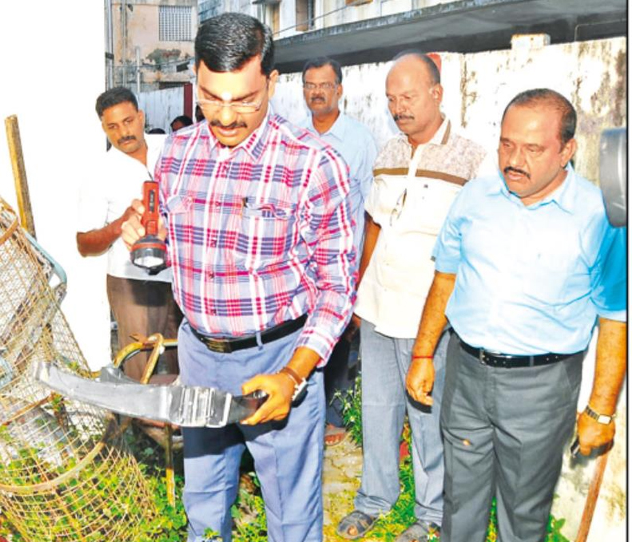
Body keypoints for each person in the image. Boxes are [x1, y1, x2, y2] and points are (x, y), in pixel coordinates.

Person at [122, 13, 357, 542]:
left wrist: (294, 375)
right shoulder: (177, 154)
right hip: (201, 356)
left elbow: (338, 289)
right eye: (211, 97)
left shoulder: (313, 165)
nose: (226, 116)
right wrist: (144, 237)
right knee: (202, 502)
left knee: (292, 516)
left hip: (277, 358)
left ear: (272, 84)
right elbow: (169, 253)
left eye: (245, 100)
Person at [406, 88, 627, 542]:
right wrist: (423, 354)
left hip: (540, 390)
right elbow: (445, 279)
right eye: (506, 144)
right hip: (465, 375)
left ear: (567, 150)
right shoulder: (475, 197)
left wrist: (601, 411)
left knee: (523, 515)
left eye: (532, 148)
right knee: (459, 501)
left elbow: (614, 318)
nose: (514, 159)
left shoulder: (599, 217)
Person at [338, 52, 492, 542]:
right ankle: (374, 500)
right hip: (379, 305)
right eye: (390, 99)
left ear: (436, 94)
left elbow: (479, 242)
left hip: (432, 314)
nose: (398, 107)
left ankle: (430, 514)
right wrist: (360, 291)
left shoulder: (472, 158)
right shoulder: (387, 151)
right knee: (378, 410)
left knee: (428, 417)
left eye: (407, 97)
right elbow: (374, 225)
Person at [76, 86, 182, 381]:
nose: (123, 132)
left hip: (180, 274)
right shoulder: (100, 172)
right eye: (112, 127)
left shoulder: (171, 148)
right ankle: (142, 426)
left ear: (141, 117)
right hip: (133, 283)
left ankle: (180, 428)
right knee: (139, 369)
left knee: (185, 363)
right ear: (103, 129)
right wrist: (121, 222)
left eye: (128, 121)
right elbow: (84, 244)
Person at [299, 56, 378, 446]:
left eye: (324, 85)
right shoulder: (294, 137)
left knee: (342, 337)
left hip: (342, 259)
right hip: (300, 263)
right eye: (310, 85)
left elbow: (368, 208)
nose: (316, 92)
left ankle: (334, 416)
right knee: (302, 335)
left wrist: (362, 268)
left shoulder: (360, 141)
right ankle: (304, 412)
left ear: (339, 91)